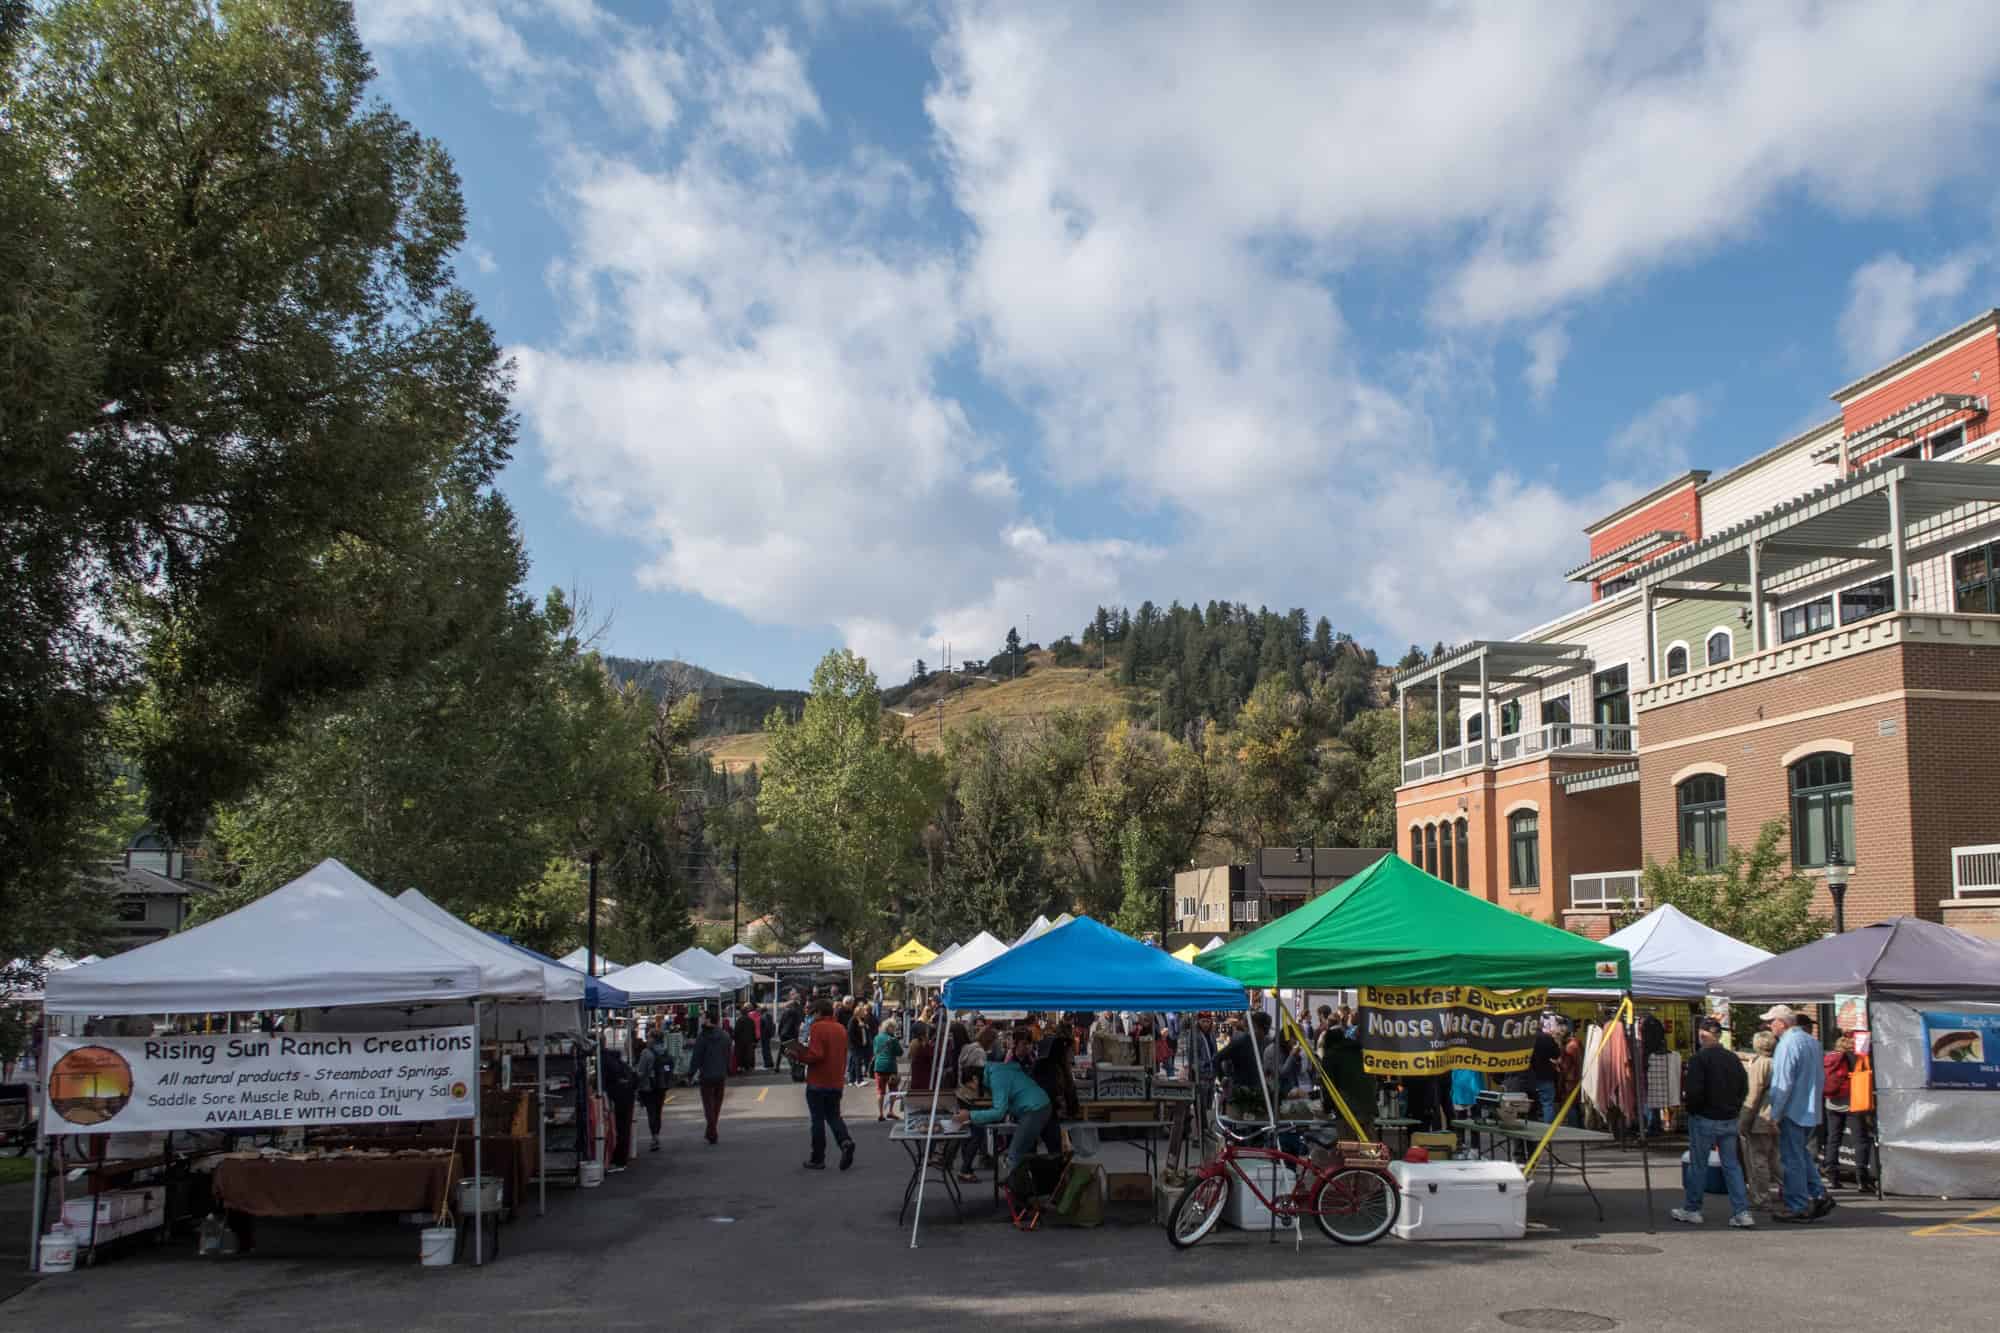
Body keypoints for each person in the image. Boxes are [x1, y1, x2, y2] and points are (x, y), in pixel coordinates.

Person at [1669, 1016, 1754, 1227]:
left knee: (1699, 1165)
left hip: (1705, 1117)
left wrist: (1693, 1110)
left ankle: (1693, 1208)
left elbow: (1694, 1091)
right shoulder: (1732, 1058)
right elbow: (1744, 1087)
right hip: (1729, 1117)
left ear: (1701, 1035)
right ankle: (1741, 1211)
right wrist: (1734, 1107)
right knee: (1732, 1166)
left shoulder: (1700, 1059)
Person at [956, 1028, 1053, 1182]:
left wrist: (970, 1115)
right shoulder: (996, 1071)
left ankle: (1017, 1193)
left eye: (970, 1088)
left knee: (1013, 1154)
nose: (972, 1093)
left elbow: (998, 1112)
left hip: (1035, 1109)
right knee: (1023, 1152)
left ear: (975, 1079)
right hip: (1038, 1106)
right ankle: (1025, 1187)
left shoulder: (997, 1077)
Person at [1763, 1004, 1831, 1222]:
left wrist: (1775, 1114)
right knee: (1801, 1156)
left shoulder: (1787, 1044)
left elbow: (1783, 1082)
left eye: (1771, 1021)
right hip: (1810, 1108)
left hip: (1792, 1110)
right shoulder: (1812, 1041)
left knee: (1792, 1160)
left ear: (1781, 1023)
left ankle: (1798, 1206)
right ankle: (1819, 1194)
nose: (1769, 1026)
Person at [796, 999, 856, 1171]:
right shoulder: (841, 1028)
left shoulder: (817, 1027)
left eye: (812, 1013)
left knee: (817, 1120)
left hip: (818, 1081)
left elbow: (816, 1055)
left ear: (818, 1012)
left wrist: (798, 1055)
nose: (811, 1016)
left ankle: (818, 1158)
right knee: (834, 1116)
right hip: (835, 1080)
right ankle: (845, 1141)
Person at [1821, 1033, 1875, 1190]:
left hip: (1831, 1103)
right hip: (1853, 1102)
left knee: (1833, 1139)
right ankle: (1862, 1179)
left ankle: (1832, 1176)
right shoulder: (1857, 1058)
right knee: (1860, 1139)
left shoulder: (1831, 1057)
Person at [1739, 1030, 1781, 1212]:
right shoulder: (1779, 1061)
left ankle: (1761, 1197)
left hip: (1761, 1117)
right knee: (1777, 1158)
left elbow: (1753, 1095)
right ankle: (1790, 1190)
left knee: (1758, 1160)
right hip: (1778, 1116)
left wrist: (1744, 1121)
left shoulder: (1760, 1065)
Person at [690, 1007, 732, 1145]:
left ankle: (712, 1131)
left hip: (707, 1075)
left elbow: (696, 1057)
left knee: (708, 1105)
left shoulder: (703, 1037)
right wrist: (728, 1069)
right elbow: (728, 1055)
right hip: (720, 1074)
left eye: (703, 1016)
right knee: (716, 1105)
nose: (701, 1018)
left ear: (708, 1019)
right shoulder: (725, 1036)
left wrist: (690, 1073)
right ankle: (711, 1131)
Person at [634, 1027, 673, 1153]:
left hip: (649, 1087)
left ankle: (654, 1137)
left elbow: (641, 1072)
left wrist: (635, 1082)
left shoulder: (646, 1053)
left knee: (651, 1112)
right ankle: (656, 1135)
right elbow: (670, 1066)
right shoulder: (665, 1051)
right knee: (658, 1111)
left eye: (649, 1036)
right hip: (661, 1086)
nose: (647, 1039)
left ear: (653, 1039)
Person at [602, 1040, 639, 1173]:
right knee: (624, 1128)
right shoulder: (617, 1061)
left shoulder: (604, 1060)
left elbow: (603, 1083)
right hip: (627, 1095)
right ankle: (621, 1158)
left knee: (621, 1128)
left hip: (620, 1097)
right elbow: (635, 1078)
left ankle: (619, 1160)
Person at [1529, 1019, 1562, 1124]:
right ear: (1541, 1025)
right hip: (1545, 1075)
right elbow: (1556, 1054)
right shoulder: (1547, 1038)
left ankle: (1531, 1128)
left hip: (1528, 1076)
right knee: (1547, 1103)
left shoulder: (1525, 1038)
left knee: (1530, 1104)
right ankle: (1547, 1130)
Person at [873, 1017, 904, 1120]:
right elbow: (900, 1052)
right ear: (889, 1028)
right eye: (894, 1028)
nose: (894, 1029)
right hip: (891, 1068)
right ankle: (890, 1111)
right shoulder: (893, 1039)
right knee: (893, 1090)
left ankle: (880, 1113)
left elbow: (875, 1051)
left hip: (879, 1067)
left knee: (880, 1092)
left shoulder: (877, 1037)